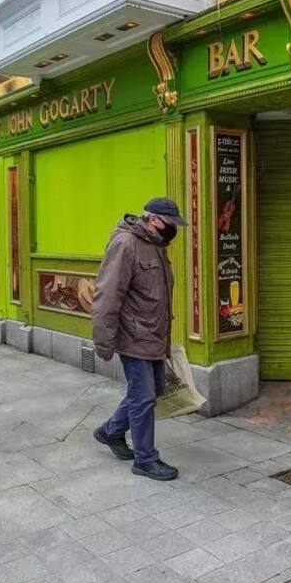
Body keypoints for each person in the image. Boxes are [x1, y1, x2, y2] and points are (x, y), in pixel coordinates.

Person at [91, 197, 185, 481]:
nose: (173, 230)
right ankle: (145, 459)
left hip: (153, 334)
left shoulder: (156, 246)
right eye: (170, 224)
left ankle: (111, 430)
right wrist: (103, 341)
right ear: (153, 219)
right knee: (143, 397)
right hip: (133, 334)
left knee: (153, 389)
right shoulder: (125, 245)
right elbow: (107, 295)